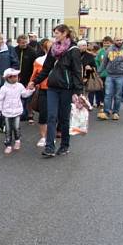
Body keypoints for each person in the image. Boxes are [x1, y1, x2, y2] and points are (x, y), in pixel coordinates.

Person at [34, 24, 82, 157]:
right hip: (52, 87)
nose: (55, 36)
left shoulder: (73, 50)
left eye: (57, 33)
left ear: (65, 33)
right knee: (51, 116)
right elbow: (46, 68)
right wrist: (35, 81)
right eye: (54, 33)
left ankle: (64, 146)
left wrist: (78, 91)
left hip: (66, 88)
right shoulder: (53, 49)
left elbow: (77, 71)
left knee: (63, 118)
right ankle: (49, 147)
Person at [0, 68, 35, 154]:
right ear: (7, 78)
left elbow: (24, 94)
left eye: (16, 76)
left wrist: (31, 90)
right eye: (12, 77)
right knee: (8, 129)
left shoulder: (19, 86)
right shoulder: (4, 88)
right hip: (7, 112)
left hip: (17, 111)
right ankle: (8, 144)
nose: (15, 78)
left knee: (16, 127)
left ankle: (17, 140)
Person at [97, 36, 123, 121]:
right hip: (110, 75)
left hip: (121, 75)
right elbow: (104, 62)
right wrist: (98, 72)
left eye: (121, 40)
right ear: (114, 41)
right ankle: (106, 112)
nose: (119, 41)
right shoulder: (109, 50)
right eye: (117, 40)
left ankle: (115, 112)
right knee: (108, 94)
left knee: (118, 95)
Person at [0, 32, 20, 132]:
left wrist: (10, 75)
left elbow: (16, 64)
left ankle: (7, 124)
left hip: (7, 82)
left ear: (2, 39)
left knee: (7, 104)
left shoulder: (9, 49)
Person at [31, 38, 52, 148]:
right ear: (44, 49)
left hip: (56, 89)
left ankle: (51, 136)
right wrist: (31, 84)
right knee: (43, 113)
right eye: (50, 47)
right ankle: (43, 137)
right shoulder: (39, 61)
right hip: (43, 89)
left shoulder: (60, 59)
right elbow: (35, 75)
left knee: (54, 114)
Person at [93, 36, 113, 108]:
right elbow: (97, 61)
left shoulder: (113, 51)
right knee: (100, 88)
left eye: (108, 43)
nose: (106, 44)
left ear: (111, 43)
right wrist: (98, 69)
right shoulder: (101, 51)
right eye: (104, 43)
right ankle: (100, 101)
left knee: (107, 89)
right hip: (101, 74)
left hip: (110, 74)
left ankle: (106, 102)